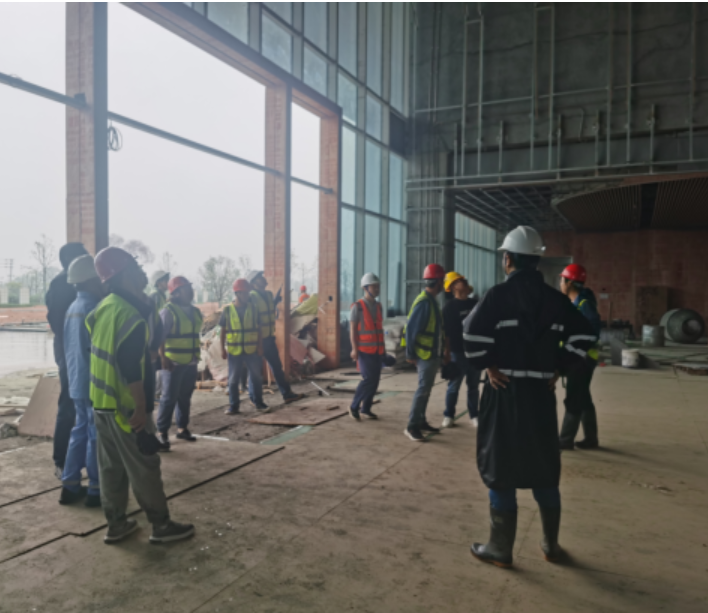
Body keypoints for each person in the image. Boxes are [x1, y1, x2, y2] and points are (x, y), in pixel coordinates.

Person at [463, 226, 597, 568]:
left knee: (500, 464)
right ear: (536, 261)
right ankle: (551, 545)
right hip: (540, 395)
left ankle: (500, 548)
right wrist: (559, 367)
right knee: (544, 466)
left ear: (508, 259)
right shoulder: (556, 300)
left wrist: (489, 365)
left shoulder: (496, 296)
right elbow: (585, 336)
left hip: (503, 392)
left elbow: (471, 336)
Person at [89, 246, 194, 544]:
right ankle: (161, 526)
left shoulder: (104, 306)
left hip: (102, 403)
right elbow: (129, 366)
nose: (142, 272)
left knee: (111, 468)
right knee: (145, 466)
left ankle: (116, 524)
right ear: (123, 274)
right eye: (136, 267)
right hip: (126, 408)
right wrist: (140, 406)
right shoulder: (130, 315)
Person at [59, 255, 103, 507]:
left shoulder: (72, 308)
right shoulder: (95, 309)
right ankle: (96, 490)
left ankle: (70, 485)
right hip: (94, 381)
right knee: (95, 434)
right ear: (91, 280)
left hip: (77, 379)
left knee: (79, 431)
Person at [46, 242, 88, 479]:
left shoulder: (80, 283)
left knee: (80, 404)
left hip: (76, 348)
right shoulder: (62, 284)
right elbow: (56, 321)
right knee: (69, 404)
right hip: (69, 350)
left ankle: (79, 457)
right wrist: (72, 347)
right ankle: (61, 460)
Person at [558, 264, 602, 450]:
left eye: (562, 280)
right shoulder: (575, 303)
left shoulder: (584, 305)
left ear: (569, 283)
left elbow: (593, 333)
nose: (560, 283)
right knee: (583, 396)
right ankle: (591, 439)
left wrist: (577, 352)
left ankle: (565, 440)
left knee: (574, 397)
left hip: (583, 358)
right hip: (578, 356)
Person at [156, 276, 202, 448]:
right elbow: (160, 337)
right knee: (169, 398)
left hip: (191, 360)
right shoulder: (168, 311)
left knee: (185, 397)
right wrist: (162, 357)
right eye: (186, 289)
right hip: (173, 362)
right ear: (176, 293)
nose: (190, 292)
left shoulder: (195, 311)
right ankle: (162, 432)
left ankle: (182, 428)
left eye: (190, 288)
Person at [403, 264, 446, 442]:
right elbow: (411, 330)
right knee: (423, 390)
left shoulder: (431, 301)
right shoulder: (424, 303)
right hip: (424, 354)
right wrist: (410, 354)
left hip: (431, 354)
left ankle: (420, 421)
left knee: (426, 390)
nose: (444, 284)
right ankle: (412, 426)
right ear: (437, 282)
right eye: (442, 280)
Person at [247, 270, 305, 404]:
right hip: (257, 340)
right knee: (255, 371)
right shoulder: (251, 297)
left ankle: (287, 394)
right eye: (260, 277)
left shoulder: (268, 295)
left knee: (277, 368)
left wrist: (275, 302)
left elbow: (268, 309)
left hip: (269, 338)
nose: (263, 278)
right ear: (254, 282)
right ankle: (255, 399)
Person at [441, 271, 481, 429]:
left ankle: (474, 415)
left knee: (474, 386)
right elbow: (446, 333)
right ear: (453, 287)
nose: (464, 282)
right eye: (459, 281)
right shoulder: (449, 307)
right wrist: (447, 352)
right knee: (454, 386)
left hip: (474, 351)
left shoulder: (475, 304)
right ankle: (449, 415)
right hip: (457, 352)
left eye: (463, 280)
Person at [220, 278, 266, 415]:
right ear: (237, 293)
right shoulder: (227, 310)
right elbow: (223, 331)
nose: (247, 296)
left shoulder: (254, 309)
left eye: (248, 293)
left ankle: (259, 403)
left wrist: (260, 346)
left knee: (256, 377)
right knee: (233, 380)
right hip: (234, 351)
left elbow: (259, 329)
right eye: (245, 293)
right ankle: (234, 406)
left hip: (252, 349)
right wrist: (222, 349)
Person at [349, 273, 385, 421]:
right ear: (365, 288)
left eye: (378, 286)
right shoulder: (357, 307)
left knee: (375, 381)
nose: (377, 289)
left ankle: (366, 408)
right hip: (364, 350)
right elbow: (352, 330)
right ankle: (354, 407)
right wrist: (354, 349)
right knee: (368, 379)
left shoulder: (378, 306)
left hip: (378, 350)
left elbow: (379, 329)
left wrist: (384, 350)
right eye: (374, 286)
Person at [148, 270, 170, 400]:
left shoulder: (162, 296)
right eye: (165, 280)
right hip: (156, 336)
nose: (167, 282)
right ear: (158, 282)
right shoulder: (155, 296)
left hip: (161, 335)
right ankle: (155, 393)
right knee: (156, 365)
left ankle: (158, 392)